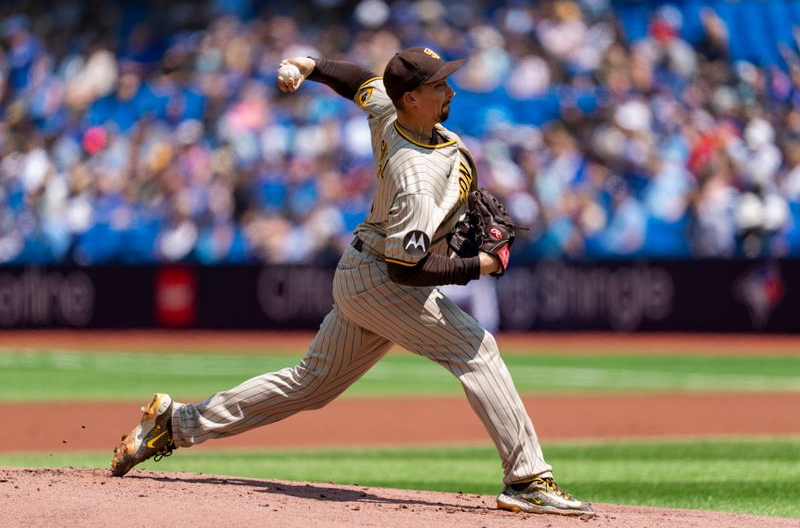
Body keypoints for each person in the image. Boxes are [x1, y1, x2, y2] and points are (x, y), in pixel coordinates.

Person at [110, 46, 595, 517]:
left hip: (364, 272)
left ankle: (174, 424)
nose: (448, 89)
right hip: (384, 282)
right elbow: (405, 269)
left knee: (309, 386)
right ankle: (528, 480)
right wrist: (486, 266)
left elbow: (359, 79)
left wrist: (310, 65)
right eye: (437, 84)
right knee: (476, 349)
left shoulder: (392, 109)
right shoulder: (416, 176)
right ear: (411, 97)